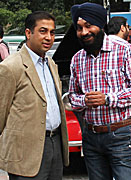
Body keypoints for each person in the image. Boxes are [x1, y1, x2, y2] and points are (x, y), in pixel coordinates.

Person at [69, 2, 131, 180]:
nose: (84, 32)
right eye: (79, 28)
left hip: (121, 135)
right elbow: (73, 97)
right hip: (90, 137)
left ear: (101, 25)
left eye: (88, 26)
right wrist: (84, 101)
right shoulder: (77, 59)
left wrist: (108, 99)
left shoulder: (124, 50)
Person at [0, 11, 69, 180]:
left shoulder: (51, 64)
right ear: (28, 33)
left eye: (52, 32)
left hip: (55, 145)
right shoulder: (10, 67)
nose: (48, 37)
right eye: (43, 31)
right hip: (25, 153)